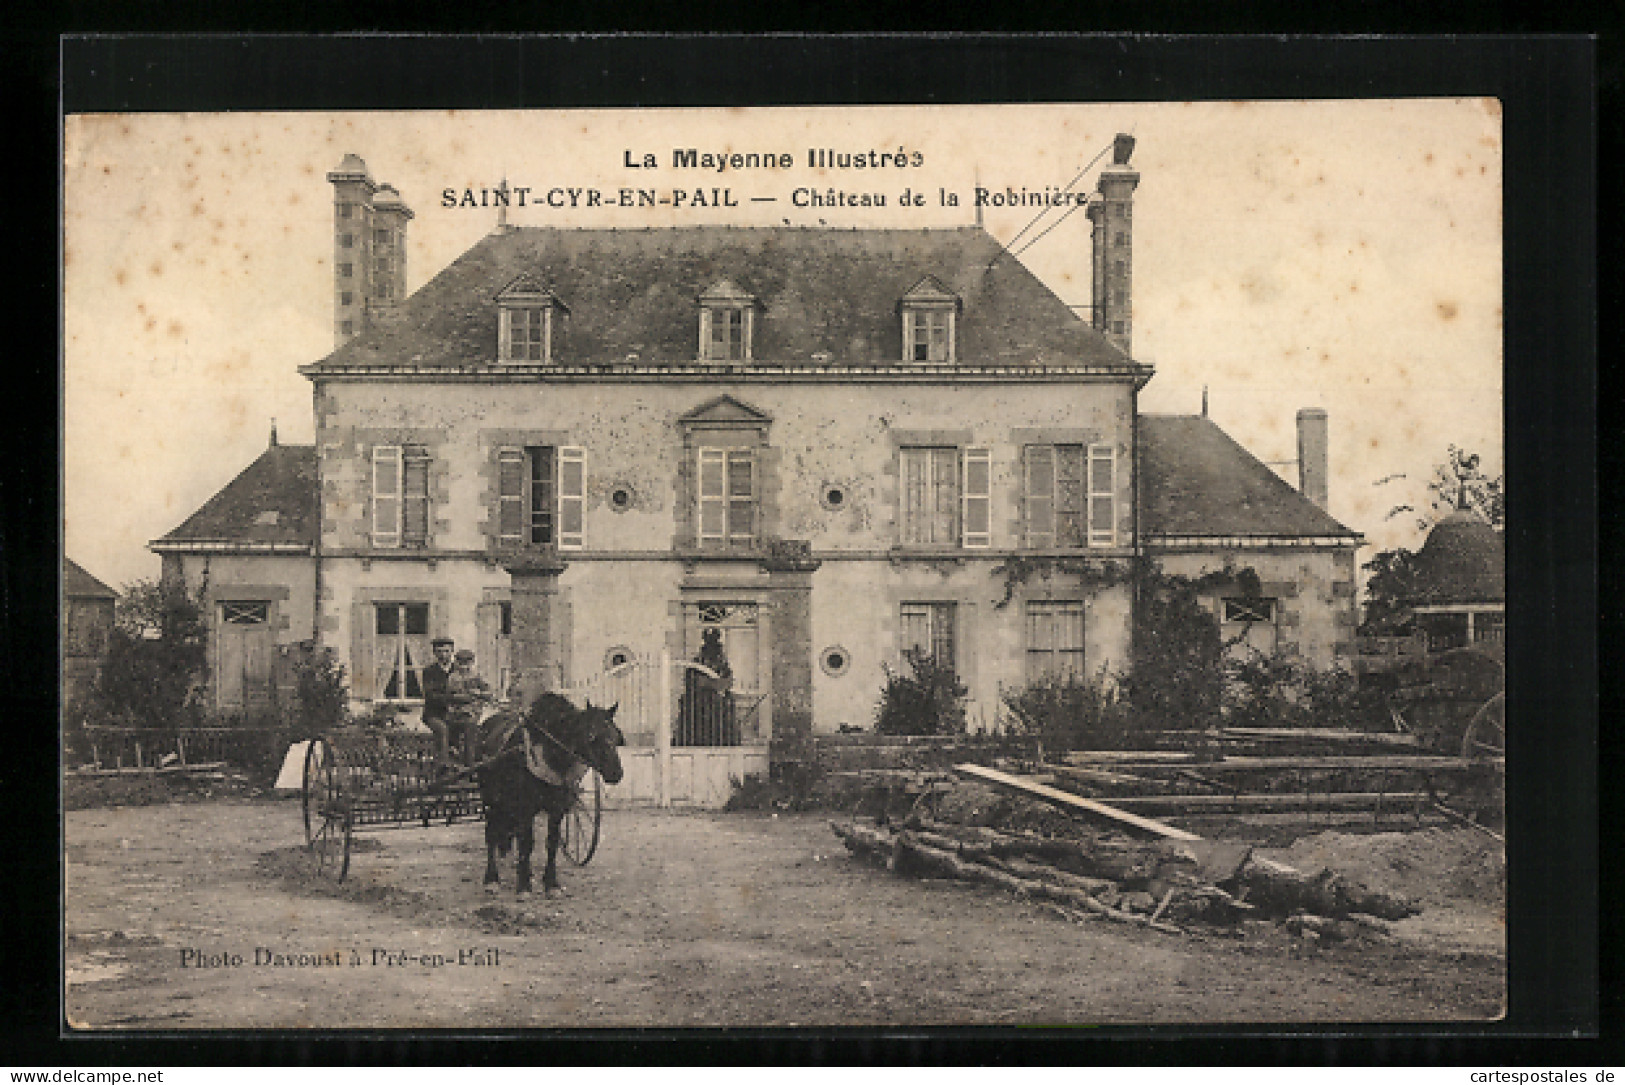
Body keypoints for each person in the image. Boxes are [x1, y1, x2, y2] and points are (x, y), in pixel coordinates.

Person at [446, 648, 494, 767]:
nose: (463, 667)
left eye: (466, 664)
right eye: (460, 663)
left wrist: (478, 693)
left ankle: (470, 765)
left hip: (472, 712)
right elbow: (448, 696)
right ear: (456, 663)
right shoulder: (452, 678)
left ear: (472, 663)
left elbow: (489, 693)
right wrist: (458, 698)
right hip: (455, 713)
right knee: (450, 737)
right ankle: (453, 763)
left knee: (470, 736)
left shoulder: (477, 676)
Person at [421, 636, 456, 767]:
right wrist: (453, 698)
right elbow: (431, 695)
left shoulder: (458, 670)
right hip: (434, 714)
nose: (443, 655)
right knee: (442, 730)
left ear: (452, 652)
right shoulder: (429, 672)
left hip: (456, 714)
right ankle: (443, 766)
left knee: (470, 728)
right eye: (440, 651)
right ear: (434, 653)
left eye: (446, 651)